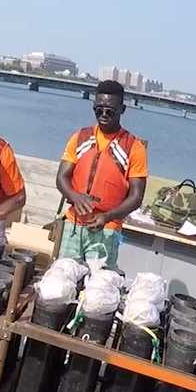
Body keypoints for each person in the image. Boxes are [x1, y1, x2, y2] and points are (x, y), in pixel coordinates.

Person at [55, 79, 148, 270]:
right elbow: (61, 177)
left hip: (107, 229)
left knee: (99, 284)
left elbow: (136, 196)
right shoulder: (80, 137)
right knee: (61, 278)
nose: (103, 115)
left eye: (110, 111)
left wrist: (107, 216)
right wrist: (75, 196)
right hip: (73, 224)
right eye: (99, 110)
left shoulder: (134, 147)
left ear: (122, 110)